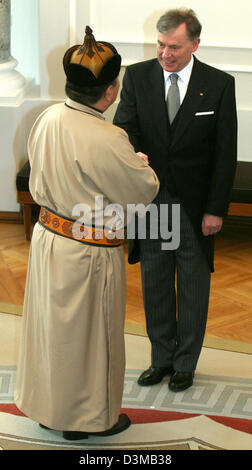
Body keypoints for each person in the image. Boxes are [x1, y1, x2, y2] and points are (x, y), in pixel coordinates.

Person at [14, 26, 159, 440]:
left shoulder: (47, 117)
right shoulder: (109, 138)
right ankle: (89, 420)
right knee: (93, 342)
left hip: (48, 241)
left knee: (53, 335)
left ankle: (49, 409)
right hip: (90, 254)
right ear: (110, 91)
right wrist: (140, 162)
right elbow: (142, 190)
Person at [113, 9, 237, 392]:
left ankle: (186, 364)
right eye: (161, 44)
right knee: (156, 284)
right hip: (152, 203)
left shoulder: (218, 84)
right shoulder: (137, 77)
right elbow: (123, 131)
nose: (166, 53)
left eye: (175, 47)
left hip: (196, 208)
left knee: (194, 287)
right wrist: (134, 155)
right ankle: (161, 359)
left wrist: (216, 209)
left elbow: (224, 153)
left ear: (195, 44)